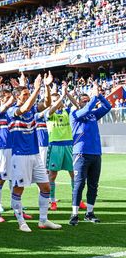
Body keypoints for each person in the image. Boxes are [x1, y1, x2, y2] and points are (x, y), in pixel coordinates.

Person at [8, 73, 61, 233]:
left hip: (35, 155)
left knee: (45, 187)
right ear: (18, 97)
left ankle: (43, 220)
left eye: (28, 94)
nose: (27, 96)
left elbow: (47, 103)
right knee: (18, 189)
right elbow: (24, 108)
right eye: (25, 94)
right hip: (20, 156)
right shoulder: (12, 111)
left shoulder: (32, 112)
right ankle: (21, 221)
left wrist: (45, 86)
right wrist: (36, 88)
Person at [69, 80, 111, 225]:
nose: (87, 103)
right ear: (79, 103)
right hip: (80, 154)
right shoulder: (75, 114)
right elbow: (87, 109)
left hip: (95, 153)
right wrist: (94, 97)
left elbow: (108, 107)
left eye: (88, 100)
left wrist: (99, 96)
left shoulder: (93, 115)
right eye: (84, 101)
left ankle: (89, 213)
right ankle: (74, 214)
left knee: (93, 184)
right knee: (79, 184)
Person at [43, 83, 83, 211]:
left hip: (69, 146)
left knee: (74, 174)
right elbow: (53, 108)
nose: (55, 103)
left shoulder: (66, 111)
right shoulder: (49, 113)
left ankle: (77, 200)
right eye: (53, 101)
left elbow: (77, 105)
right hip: (55, 146)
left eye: (57, 100)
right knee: (52, 175)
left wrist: (66, 94)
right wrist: (61, 98)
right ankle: (52, 201)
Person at [0, 89, 15, 223]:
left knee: (16, 180)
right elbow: (6, 106)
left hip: (16, 150)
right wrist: (14, 97)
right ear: (1, 99)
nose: (10, 100)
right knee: (0, 180)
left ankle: (17, 209)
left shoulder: (13, 112)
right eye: (7, 97)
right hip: (4, 150)